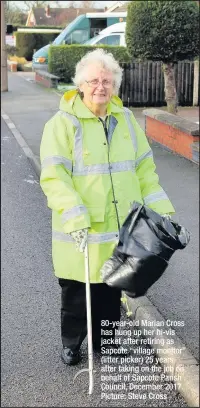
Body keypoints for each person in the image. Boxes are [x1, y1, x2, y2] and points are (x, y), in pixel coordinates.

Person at [40, 49, 175, 366]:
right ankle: (73, 343)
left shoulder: (126, 120)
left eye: (107, 80)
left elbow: (144, 171)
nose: (101, 86)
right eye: (94, 80)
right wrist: (75, 216)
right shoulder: (62, 124)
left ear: (114, 85)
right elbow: (54, 177)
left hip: (119, 228)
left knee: (110, 290)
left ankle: (107, 342)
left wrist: (163, 213)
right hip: (82, 229)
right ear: (80, 85)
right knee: (76, 291)